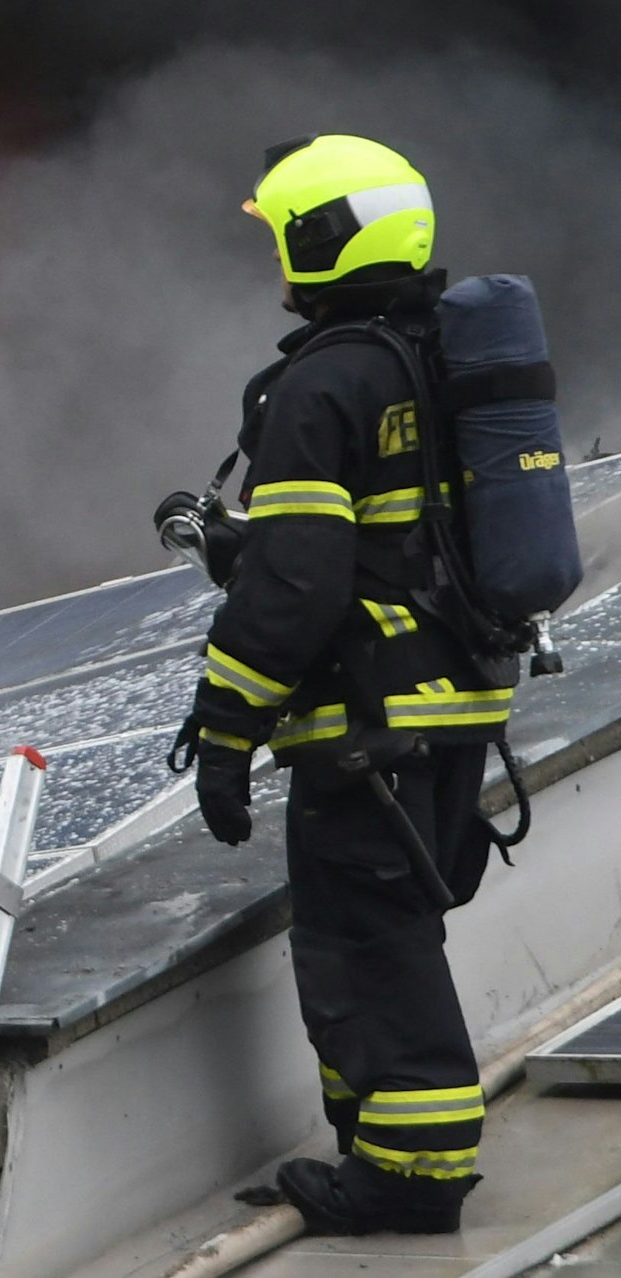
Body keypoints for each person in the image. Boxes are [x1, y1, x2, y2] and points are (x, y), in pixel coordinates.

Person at [174, 135, 511, 1235]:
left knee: (366, 939)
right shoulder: (433, 356)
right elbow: (381, 542)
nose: (276, 249)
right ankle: (373, 1150)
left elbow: (297, 582)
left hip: (371, 720)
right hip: (452, 702)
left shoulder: (324, 381)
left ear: (325, 238)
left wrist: (224, 724)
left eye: (286, 229)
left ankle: (411, 1180)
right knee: (380, 929)